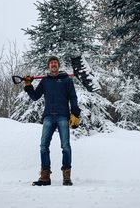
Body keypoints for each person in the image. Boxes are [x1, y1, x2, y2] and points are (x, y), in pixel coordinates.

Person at [24, 56, 81, 186]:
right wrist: (28, 85)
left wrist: (75, 112)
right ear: (48, 66)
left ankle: (66, 176)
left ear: (58, 65)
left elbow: (73, 96)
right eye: (51, 63)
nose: (53, 64)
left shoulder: (66, 80)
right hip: (48, 116)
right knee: (43, 146)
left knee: (65, 146)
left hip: (62, 116)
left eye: (55, 62)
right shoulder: (45, 81)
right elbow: (35, 97)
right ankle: (45, 176)